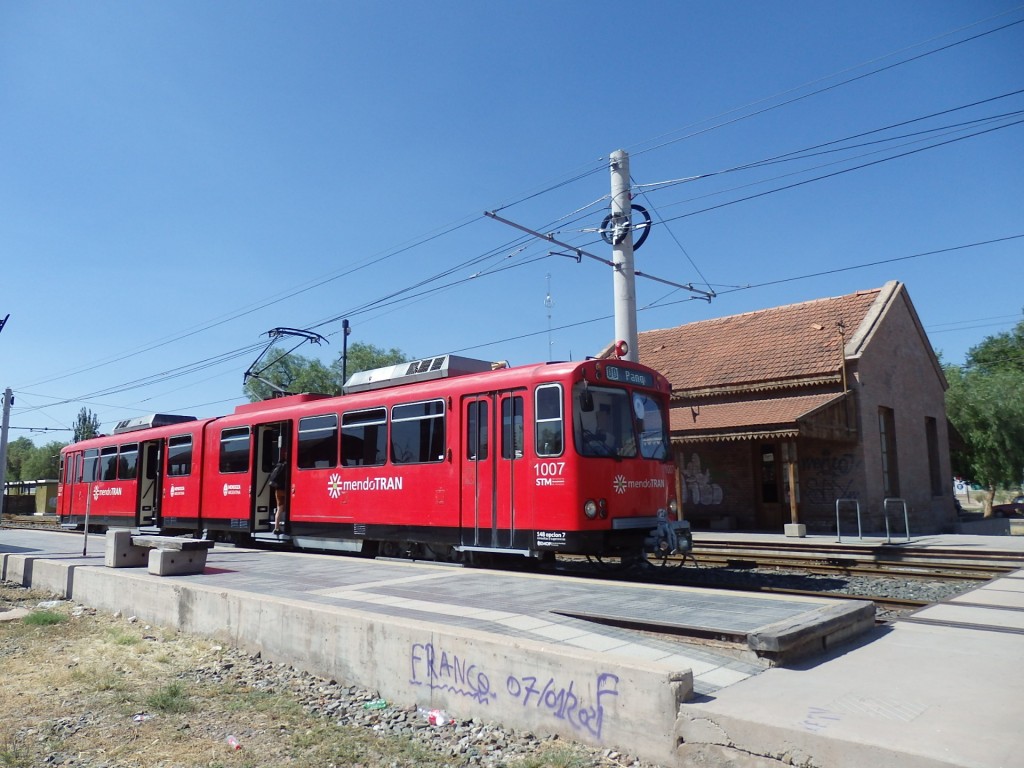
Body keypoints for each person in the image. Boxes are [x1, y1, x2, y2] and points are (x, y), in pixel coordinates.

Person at [268, 455, 288, 534]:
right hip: (285, 490)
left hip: (277, 490)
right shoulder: (287, 466)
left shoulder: (278, 465)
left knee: (279, 509)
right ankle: (287, 526)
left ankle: (276, 528)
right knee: (289, 508)